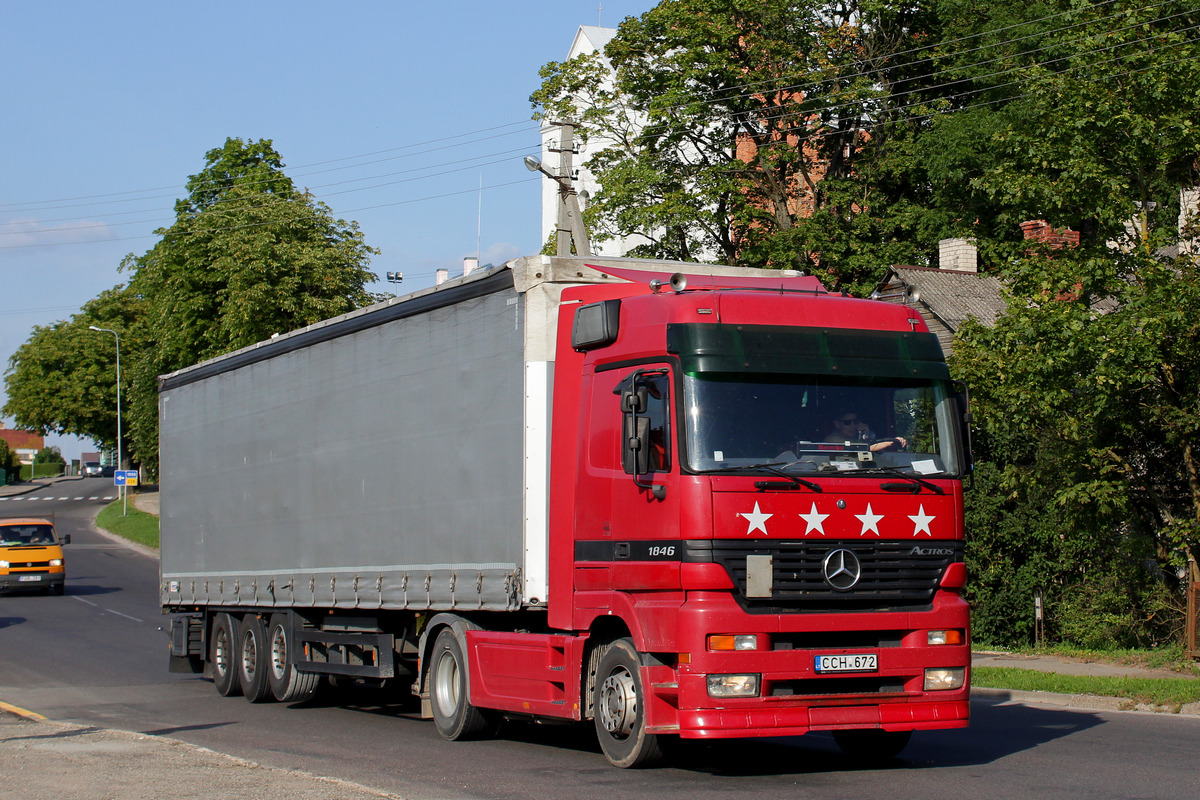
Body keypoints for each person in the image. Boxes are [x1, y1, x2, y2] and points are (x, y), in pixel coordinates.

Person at [825, 412, 906, 453]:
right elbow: (861, 449)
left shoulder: (859, 438)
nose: (853, 426)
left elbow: (876, 450)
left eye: (855, 422)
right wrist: (888, 442)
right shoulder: (832, 440)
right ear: (837, 424)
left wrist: (865, 434)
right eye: (848, 422)